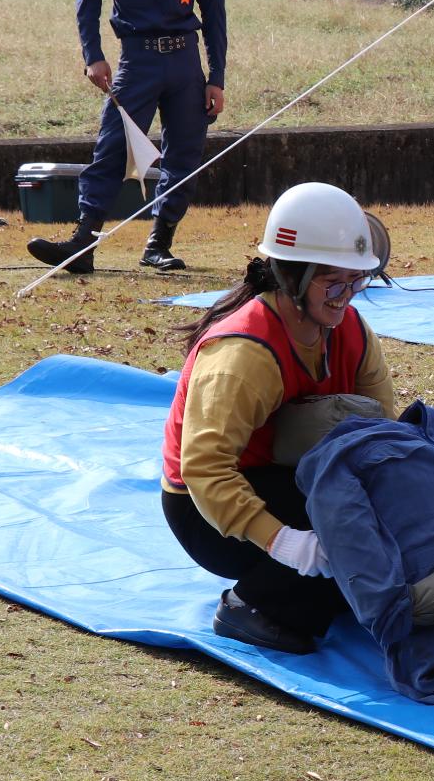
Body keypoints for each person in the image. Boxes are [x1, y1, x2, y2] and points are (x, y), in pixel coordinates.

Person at [161, 182, 394, 653]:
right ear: (293, 276)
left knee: (389, 530)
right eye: (334, 283)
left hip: (291, 476)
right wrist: (284, 542)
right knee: (345, 552)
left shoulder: (349, 329)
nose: (346, 296)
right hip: (208, 508)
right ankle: (249, 604)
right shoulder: (243, 354)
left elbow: (383, 429)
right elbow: (204, 470)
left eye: (357, 281)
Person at [29, 0, 227, 276]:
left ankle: (160, 243)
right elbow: (87, 0)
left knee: (185, 155)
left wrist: (216, 80)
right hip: (137, 60)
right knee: (113, 148)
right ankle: (83, 243)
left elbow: (215, 20)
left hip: (185, 63)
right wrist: (93, 56)